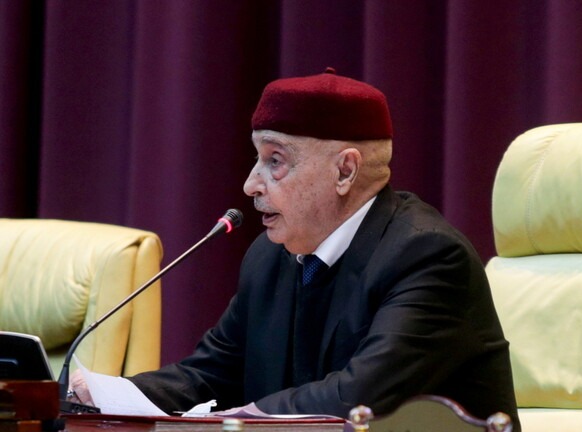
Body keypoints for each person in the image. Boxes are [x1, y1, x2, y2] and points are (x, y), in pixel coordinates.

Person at [73, 68, 520, 429]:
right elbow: (211, 374)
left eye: (275, 161)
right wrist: (104, 395)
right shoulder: (271, 256)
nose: (250, 185)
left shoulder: (427, 257)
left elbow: (356, 398)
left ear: (345, 171)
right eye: (257, 159)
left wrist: (237, 420)